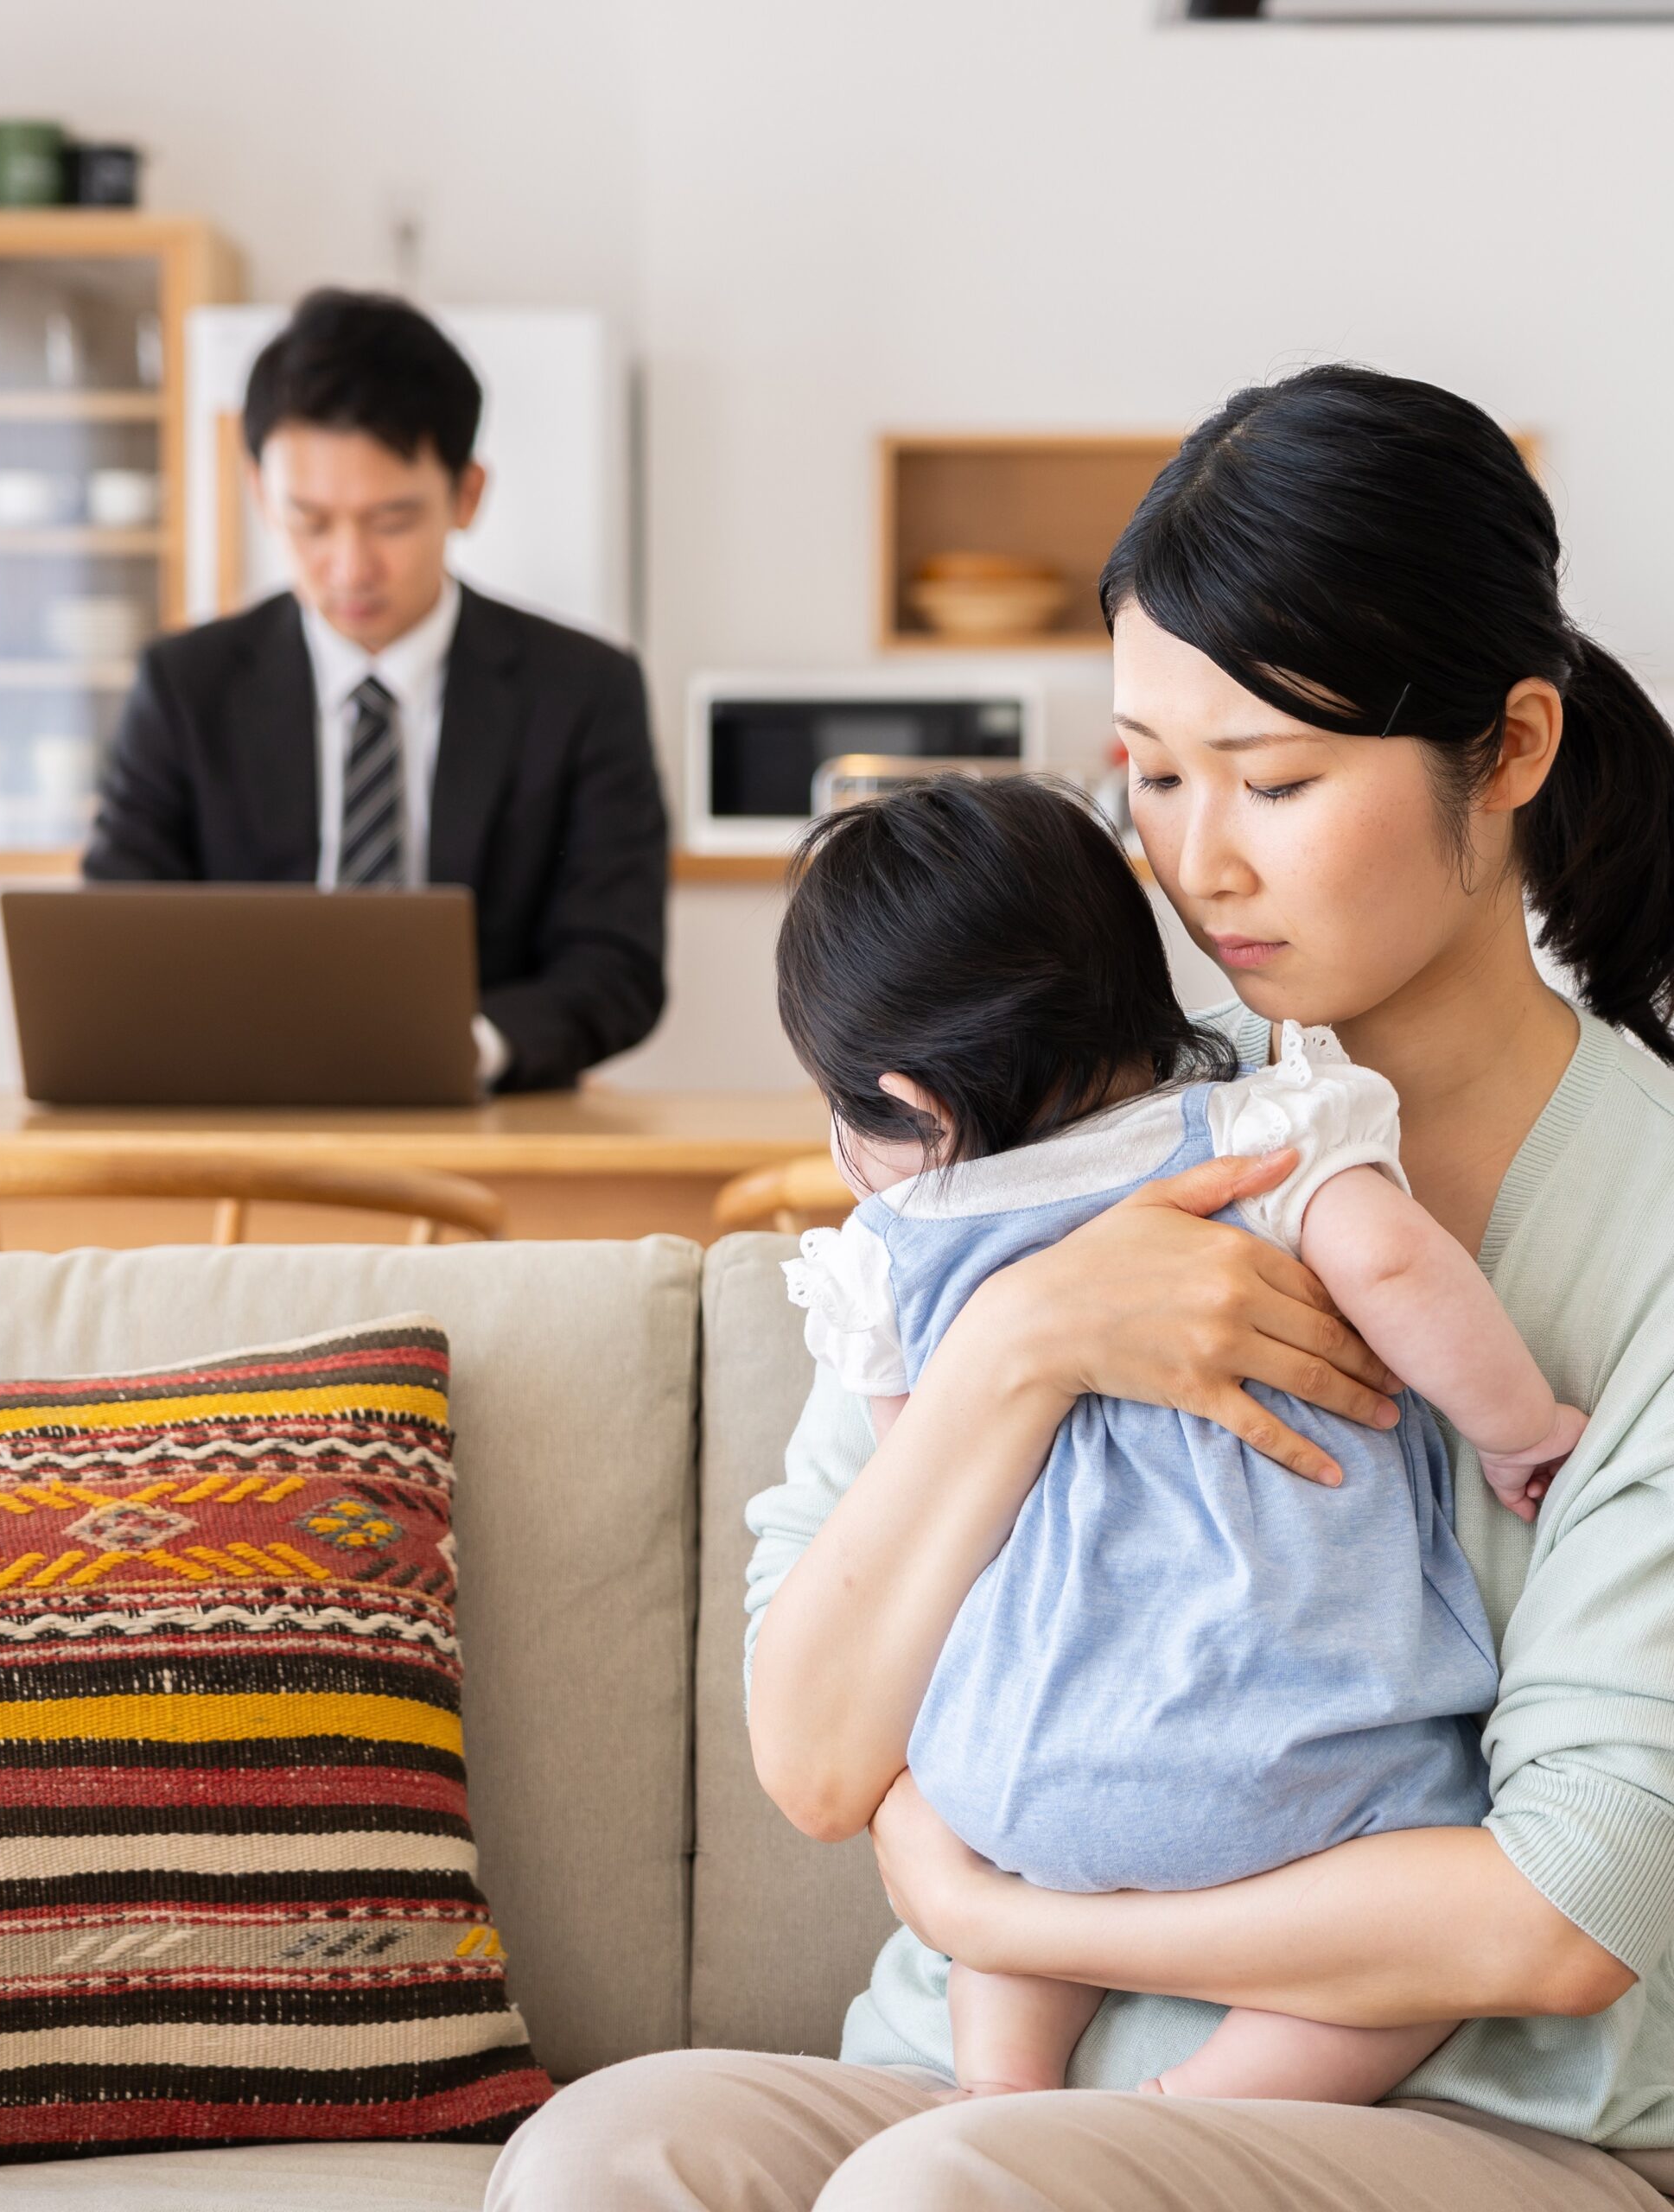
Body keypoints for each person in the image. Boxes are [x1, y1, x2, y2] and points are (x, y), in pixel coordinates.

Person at [489, 363, 1674, 2211]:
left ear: (1509, 749)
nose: (1197, 864)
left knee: (959, 2191)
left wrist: (991, 1899)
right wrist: (1025, 1346)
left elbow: (1563, 1906)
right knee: (607, 2153)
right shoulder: (1070, 1099)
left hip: (1473, 2122)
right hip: (969, 2077)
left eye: (1275, 779)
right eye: (1152, 769)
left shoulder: (1653, 1216)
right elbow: (815, 1755)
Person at [773, 772, 1582, 2106]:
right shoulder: (1259, 1132)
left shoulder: (890, 1261)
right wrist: (1520, 1427)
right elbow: (1391, 1271)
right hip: (1303, 1766)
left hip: (1023, 1781)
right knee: (1411, 1909)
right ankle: (1197, 2111)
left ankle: (1003, 2101)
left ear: (908, 1103)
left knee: (1008, 1923)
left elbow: (918, 1487)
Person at [83, 289, 667, 1092]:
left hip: (495, 1119)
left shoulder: (584, 689)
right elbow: (115, 946)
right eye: (310, 522)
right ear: (259, 495)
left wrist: (466, 1048)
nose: (350, 566)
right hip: (236, 1115)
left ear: (466, 495)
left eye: (391, 520)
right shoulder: (186, 688)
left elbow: (618, 964)